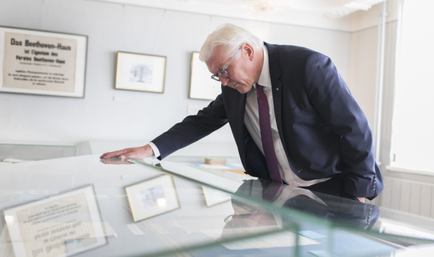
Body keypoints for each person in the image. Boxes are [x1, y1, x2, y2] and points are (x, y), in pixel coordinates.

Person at [100, 23, 383, 201]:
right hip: (280, 194)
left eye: (223, 70)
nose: (222, 81)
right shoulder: (234, 86)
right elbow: (202, 122)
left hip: (332, 188)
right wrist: (149, 150)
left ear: (247, 50)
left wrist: (357, 192)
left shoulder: (308, 66)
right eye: (216, 76)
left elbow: (354, 128)